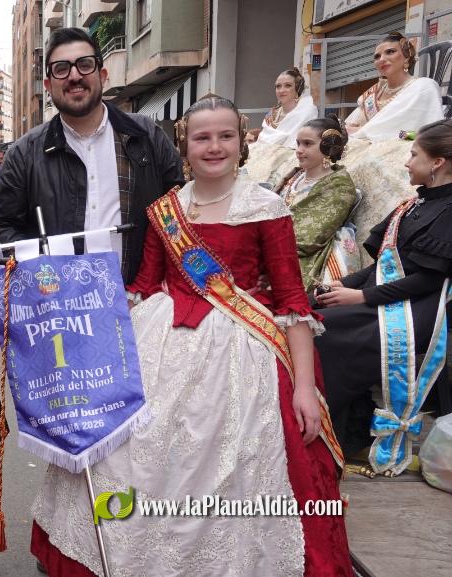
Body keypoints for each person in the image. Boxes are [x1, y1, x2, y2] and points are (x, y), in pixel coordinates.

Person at [32, 95, 352, 577]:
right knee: (133, 455)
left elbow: (291, 302)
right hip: (163, 342)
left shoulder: (267, 207)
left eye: (226, 135)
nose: (214, 146)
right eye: (202, 137)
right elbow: (142, 286)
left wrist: (304, 388)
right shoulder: (166, 210)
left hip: (243, 355)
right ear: (185, 145)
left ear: (242, 142)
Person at [0, 27, 184, 284]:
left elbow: (181, 211)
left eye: (85, 64)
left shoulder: (147, 137)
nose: (74, 76)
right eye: (61, 68)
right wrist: (49, 267)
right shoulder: (24, 154)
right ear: (48, 85)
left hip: (139, 303)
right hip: (59, 308)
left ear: (102, 74)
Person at [315, 118, 452, 458]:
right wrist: (339, 285)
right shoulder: (414, 204)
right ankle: (341, 427)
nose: (407, 162)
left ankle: (336, 435)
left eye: (413, 154)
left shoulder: (448, 210)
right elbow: (383, 267)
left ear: (437, 163)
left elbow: (428, 279)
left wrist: (361, 296)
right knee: (310, 308)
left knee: (327, 331)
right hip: (389, 297)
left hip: (420, 310)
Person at [274, 116, 359, 291]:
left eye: (307, 144)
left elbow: (310, 238)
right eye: (298, 143)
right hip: (272, 246)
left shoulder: (339, 186)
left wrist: (265, 243)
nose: (299, 150)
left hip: (299, 257)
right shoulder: (295, 176)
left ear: (328, 146)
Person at [345, 32, 444, 141]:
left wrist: (366, 132)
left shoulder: (423, 87)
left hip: (408, 147)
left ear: (406, 57)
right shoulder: (374, 93)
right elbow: (350, 127)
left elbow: (425, 135)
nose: (381, 59)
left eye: (390, 52)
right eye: (377, 56)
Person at [257, 67, 318, 148]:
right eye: (278, 86)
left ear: (297, 89)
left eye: (287, 85)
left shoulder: (307, 111)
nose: (281, 90)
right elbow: (261, 142)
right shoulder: (272, 115)